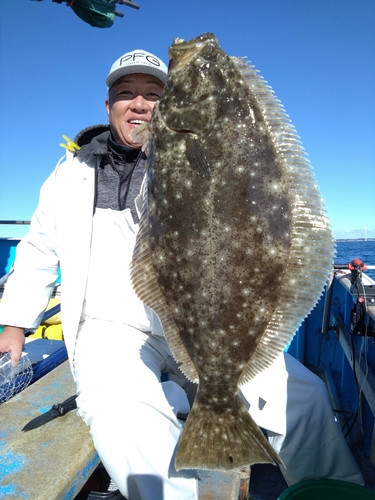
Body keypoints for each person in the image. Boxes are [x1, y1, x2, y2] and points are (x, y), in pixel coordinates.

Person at [0, 48, 363, 499]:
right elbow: (38, 247)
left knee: (303, 396)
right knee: (121, 411)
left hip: (204, 320)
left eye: (153, 93)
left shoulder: (199, 154)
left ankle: (335, 492)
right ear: (108, 104)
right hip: (111, 326)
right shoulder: (71, 173)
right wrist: (15, 323)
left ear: (169, 106)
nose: (140, 103)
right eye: (126, 93)